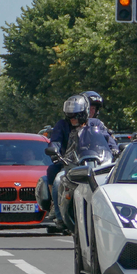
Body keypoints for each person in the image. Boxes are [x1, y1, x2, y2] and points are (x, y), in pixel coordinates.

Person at [46, 94, 91, 229]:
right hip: (69, 164)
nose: (72, 119)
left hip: (91, 163)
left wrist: (113, 148)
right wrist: (54, 149)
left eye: (76, 116)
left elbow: (106, 138)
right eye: (70, 116)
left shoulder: (94, 124)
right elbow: (56, 140)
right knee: (58, 180)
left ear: (84, 113)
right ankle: (59, 216)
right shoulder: (62, 125)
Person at [80, 91, 119, 155]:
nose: (90, 111)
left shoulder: (97, 124)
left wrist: (114, 149)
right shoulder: (70, 123)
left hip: (95, 158)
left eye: (93, 108)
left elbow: (106, 137)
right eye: (88, 108)